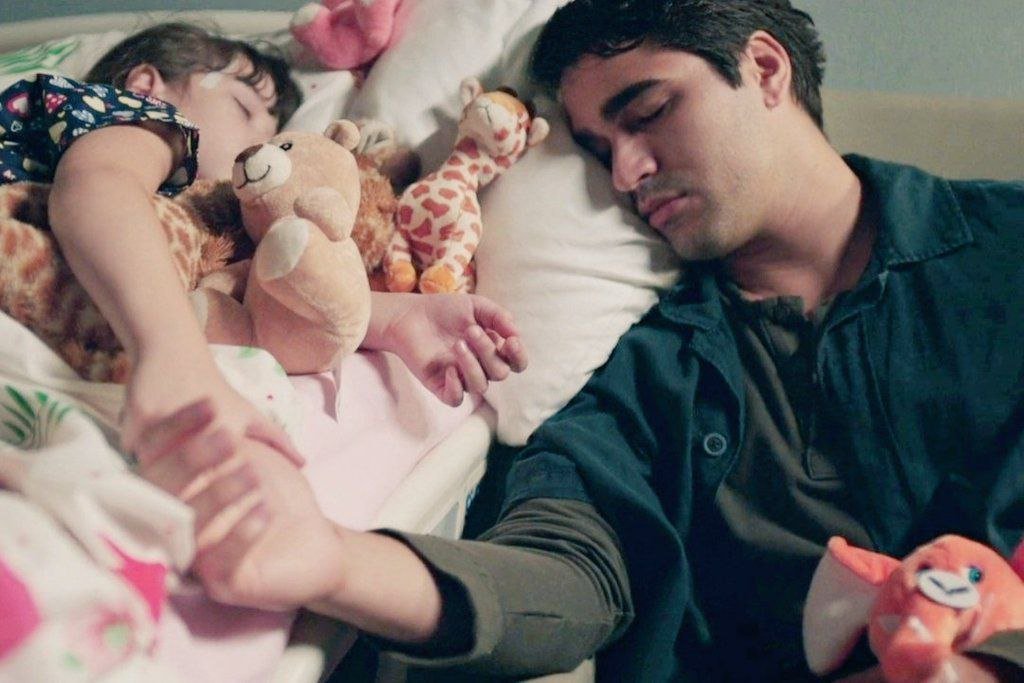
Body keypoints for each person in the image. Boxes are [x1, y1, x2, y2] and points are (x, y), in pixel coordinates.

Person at [134, 3, 1024, 682]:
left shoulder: (1007, 249)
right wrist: (333, 559)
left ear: (763, 67)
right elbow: (569, 563)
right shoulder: (653, 363)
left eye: (650, 110)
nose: (628, 172)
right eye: (601, 149)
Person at [0, 22, 527, 464]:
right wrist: (174, 354)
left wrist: (393, 318)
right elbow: (100, 190)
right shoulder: (149, 121)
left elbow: (262, 285)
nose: (260, 139)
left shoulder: (197, 208)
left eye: (271, 128)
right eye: (245, 108)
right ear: (148, 84)